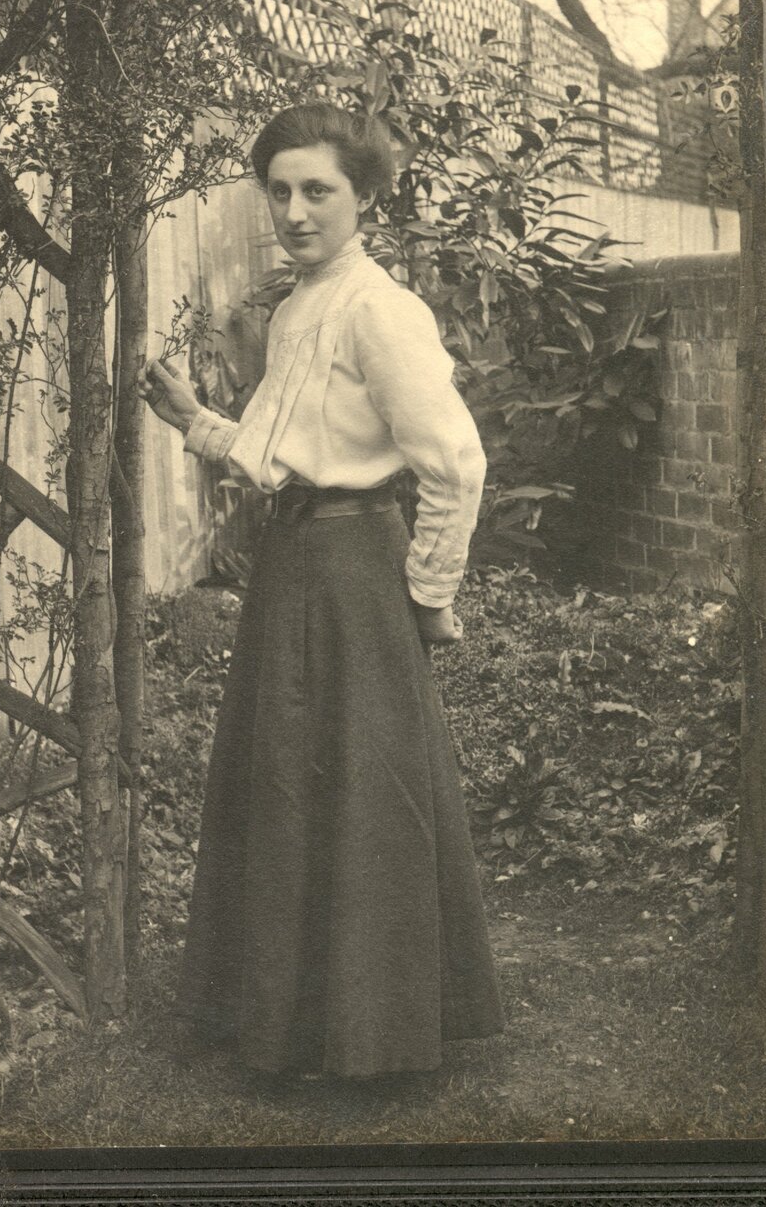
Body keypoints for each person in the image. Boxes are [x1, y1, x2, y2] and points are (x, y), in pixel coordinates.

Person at [139, 103, 504, 1080]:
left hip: (352, 570)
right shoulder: (300, 305)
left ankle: (376, 1038)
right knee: (288, 782)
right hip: (290, 564)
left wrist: (429, 592)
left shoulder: (380, 309)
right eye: (280, 190)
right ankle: (297, 1024)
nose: (296, 211)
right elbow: (280, 456)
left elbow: (455, 463)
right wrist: (194, 419)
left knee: (366, 793)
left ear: (363, 196)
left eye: (318, 190)